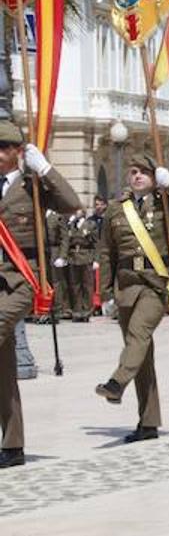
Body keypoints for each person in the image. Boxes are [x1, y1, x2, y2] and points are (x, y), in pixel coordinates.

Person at [94, 154, 169, 442]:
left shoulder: (165, 203)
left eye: (144, 172)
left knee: (138, 335)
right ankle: (148, 422)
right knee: (142, 356)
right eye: (133, 172)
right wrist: (107, 293)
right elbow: (107, 252)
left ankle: (116, 382)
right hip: (126, 285)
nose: (137, 176)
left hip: (155, 285)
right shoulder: (115, 210)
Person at [0, 122, 81, 468]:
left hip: (23, 277)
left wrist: (45, 169)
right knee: (4, 367)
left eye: (4, 147)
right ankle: (13, 445)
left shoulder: (32, 186)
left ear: (19, 152)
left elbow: (71, 203)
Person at [58, 207, 100, 321]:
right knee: (75, 285)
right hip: (73, 257)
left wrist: (96, 259)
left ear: (83, 212)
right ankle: (77, 310)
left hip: (86, 256)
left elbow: (96, 243)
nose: (75, 213)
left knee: (87, 285)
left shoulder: (90, 225)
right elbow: (67, 241)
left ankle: (87, 310)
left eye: (78, 211)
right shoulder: (71, 225)